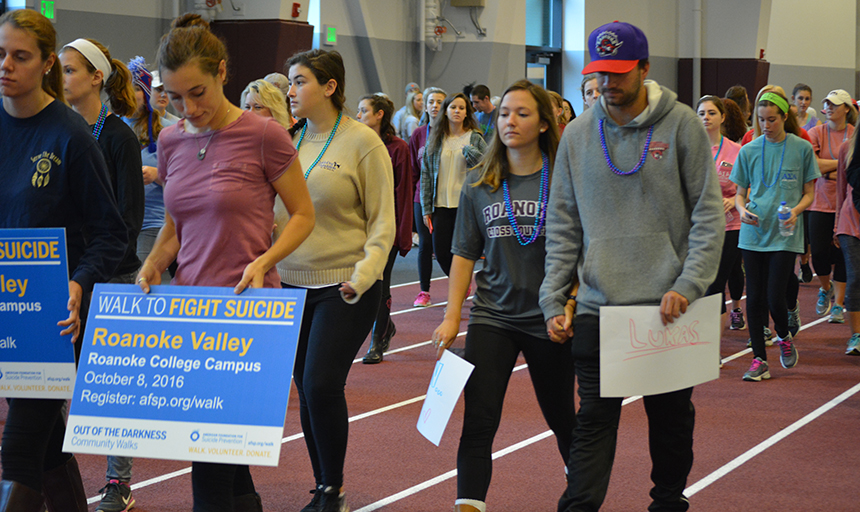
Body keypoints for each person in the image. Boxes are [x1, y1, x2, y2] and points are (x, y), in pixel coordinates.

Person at [539, 21, 724, 511]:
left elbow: (708, 215)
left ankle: (668, 502)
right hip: (600, 309)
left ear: (644, 69)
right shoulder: (577, 135)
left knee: (671, 422)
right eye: (600, 74)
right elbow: (562, 225)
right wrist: (553, 296)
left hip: (668, 309)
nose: (608, 84)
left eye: (620, 74)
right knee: (594, 423)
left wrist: (689, 282)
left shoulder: (682, 124)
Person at [136, 13, 315, 511]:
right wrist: (153, 263)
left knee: (209, 461)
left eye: (196, 92)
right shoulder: (170, 142)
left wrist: (265, 262)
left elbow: (302, 216)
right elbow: (174, 228)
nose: (187, 108)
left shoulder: (263, 135)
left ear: (221, 72)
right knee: (226, 459)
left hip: (249, 313)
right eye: (173, 97)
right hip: (191, 313)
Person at [0, 9, 127, 511]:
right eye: (0, 54)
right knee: (47, 443)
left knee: (19, 445)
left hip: (54, 319)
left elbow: (111, 234)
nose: (6, 65)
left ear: (47, 61)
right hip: (6, 312)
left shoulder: (71, 136)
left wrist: (78, 283)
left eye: (20, 56)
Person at [432, 79, 574, 512]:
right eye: (505, 113)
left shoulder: (566, 181)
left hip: (548, 317)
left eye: (523, 113)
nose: (510, 121)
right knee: (478, 420)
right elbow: (462, 255)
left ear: (545, 124)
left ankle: (581, 490)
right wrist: (452, 315)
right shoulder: (479, 183)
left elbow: (584, 251)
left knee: (562, 419)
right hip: (492, 317)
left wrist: (569, 303)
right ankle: (469, 505)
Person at [279, 48, 394, 512]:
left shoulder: (363, 142)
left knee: (322, 383)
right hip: (289, 285)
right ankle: (324, 483)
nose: (290, 91)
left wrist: (363, 277)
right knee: (306, 388)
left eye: (300, 81)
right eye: (289, 82)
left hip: (345, 287)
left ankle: (332, 489)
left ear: (329, 87)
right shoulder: (288, 142)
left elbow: (383, 223)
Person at [59, 37, 146, 512]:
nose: (62, 78)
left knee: (114, 385)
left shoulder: (118, 137)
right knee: (57, 383)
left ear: (96, 77)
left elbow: (129, 221)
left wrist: (92, 272)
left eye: (70, 70)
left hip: (112, 279)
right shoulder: (63, 130)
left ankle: (118, 481)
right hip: (67, 276)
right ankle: (50, 473)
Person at [731, 89, 819, 381]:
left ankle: (783, 335)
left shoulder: (801, 148)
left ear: (784, 118)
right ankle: (759, 359)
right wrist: (742, 211)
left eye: (772, 120)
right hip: (753, 232)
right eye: (761, 120)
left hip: (785, 232)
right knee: (753, 298)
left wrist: (795, 211)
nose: (766, 125)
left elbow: (809, 194)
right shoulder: (749, 150)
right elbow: (740, 194)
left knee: (773, 296)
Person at [355, 93, 413, 363]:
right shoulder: (356, 145)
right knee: (362, 284)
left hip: (385, 228)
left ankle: (377, 341)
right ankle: (385, 326)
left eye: (363, 111)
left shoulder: (398, 148)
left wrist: (401, 234)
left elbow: (403, 192)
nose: (358, 116)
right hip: (358, 228)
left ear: (379, 114)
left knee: (381, 283)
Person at [420, 92, 487, 277]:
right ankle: (459, 282)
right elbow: (425, 175)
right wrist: (426, 208)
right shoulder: (436, 139)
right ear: (446, 111)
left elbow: (488, 167)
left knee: (462, 251)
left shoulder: (475, 138)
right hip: (440, 204)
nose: (457, 111)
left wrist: (473, 154)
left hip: (465, 205)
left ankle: (458, 287)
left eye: (461, 108)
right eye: (453, 107)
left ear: (467, 113)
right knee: (441, 252)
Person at [807, 89, 856, 323]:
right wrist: (841, 164)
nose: (829, 108)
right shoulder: (816, 132)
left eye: (835, 105)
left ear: (846, 109)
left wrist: (831, 167)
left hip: (846, 204)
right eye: (826, 104)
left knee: (842, 254)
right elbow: (814, 165)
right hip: (819, 201)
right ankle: (825, 287)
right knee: (818, 251)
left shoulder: (854, 134)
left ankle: (838, 303)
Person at [698, 96, 745, 337]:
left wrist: (734, 199)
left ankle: (712, 347)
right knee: (700, 285)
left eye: (711, 113)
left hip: (729, 226)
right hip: (698, 228)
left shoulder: (736, 151)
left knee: (715, 285)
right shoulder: (690, 148)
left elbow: (747, 188)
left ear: (722, 117)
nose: (706, 117)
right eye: (702, 113)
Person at [126, 57, 172, 286]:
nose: (127, 94)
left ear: (145, 95)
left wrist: (157, 175)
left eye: (135, 89)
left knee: (145, 281)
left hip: (152, 221)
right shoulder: (113, 126)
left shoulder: (166, 131)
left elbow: (190, 180)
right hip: (121, 222)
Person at [410, 86, 446, 307]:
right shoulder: (418, 134)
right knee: (424, 245)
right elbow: (414, 168)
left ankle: (457, 279)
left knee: (442, 245)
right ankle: (424, 291)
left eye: (439, 102)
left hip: (445, 197)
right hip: (420, 196)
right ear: (425, 106)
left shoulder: (451, 134)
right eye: (431, 101)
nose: (434, 106)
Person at [838, 122, 860, 355]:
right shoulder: (847, 149)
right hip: (850, 222)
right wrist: (837, 225)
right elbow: (842, 190)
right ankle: (856, 335)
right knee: (855, 277)